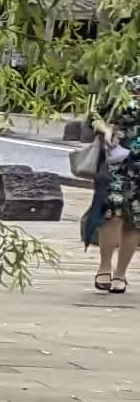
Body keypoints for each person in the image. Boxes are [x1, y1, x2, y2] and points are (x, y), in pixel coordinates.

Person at [92, 105, 139, 296]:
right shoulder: (125, 86)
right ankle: (104, 267)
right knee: (112, 212)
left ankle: (121, 273)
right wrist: (105, 129)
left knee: (135, 219)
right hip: (118, 160)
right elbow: (94, 115)